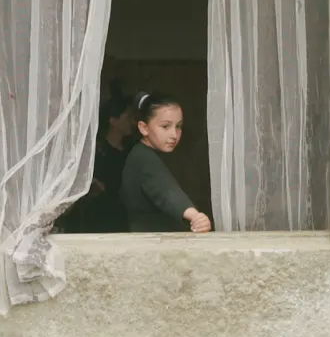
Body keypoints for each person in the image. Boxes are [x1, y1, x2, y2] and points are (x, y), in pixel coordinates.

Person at [120, 91, 212, 233]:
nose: (174, 135)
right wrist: (196, 216)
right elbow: (166, 192)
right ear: (144, 128)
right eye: (165, 126)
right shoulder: (143, 158)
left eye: (178, 126)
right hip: (149, 245)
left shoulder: (152, 154)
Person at [54, 82, 135, 233]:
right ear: (113, 120)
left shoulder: (132, 150)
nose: (132, 122)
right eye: (128, 117)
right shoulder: (97, 151)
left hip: (122, 217)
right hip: (97, 217)